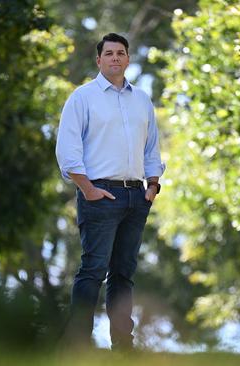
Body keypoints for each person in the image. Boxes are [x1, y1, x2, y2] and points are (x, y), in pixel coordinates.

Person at [55, 33, 164, 351]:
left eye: (121, 53)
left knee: (123, 274)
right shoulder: (83, 97)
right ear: (99, 60)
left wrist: (153, 186)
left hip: (136, 196)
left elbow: (152, 147)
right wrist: (87, 189)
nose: (116, 58)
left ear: (128, 59)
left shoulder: (142, 100)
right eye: (109, 53)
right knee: (92, 270)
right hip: (99, 195)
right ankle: (78, 344)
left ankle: (123, 346)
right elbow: (68, 149)